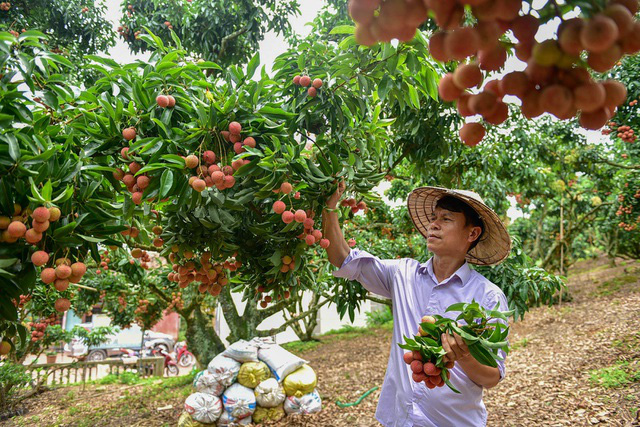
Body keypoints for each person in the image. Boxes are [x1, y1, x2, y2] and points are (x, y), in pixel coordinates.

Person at [322, 183, 512, 427]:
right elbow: (343, 259)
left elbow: (492, 376)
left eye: (446, 218)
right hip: (399, 420)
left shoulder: (487, 297)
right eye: (434, 217)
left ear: (472, 234)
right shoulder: (403, 274)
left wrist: (464, 355)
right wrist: (330, 207)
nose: (434, 224)